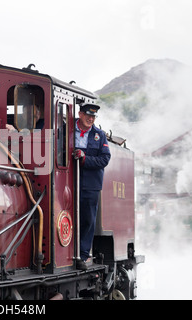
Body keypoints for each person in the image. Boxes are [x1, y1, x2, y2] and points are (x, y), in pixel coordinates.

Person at [73, 103, 111, 271]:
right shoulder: (65, 130)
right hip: (68, 181)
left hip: (90, 184)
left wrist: (85, 159)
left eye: (93, 117)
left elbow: (105, 159)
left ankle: (82, 255)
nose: (90, 119)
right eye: (88, 115)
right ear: (80, 114)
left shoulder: (99, 135)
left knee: (88, 219)